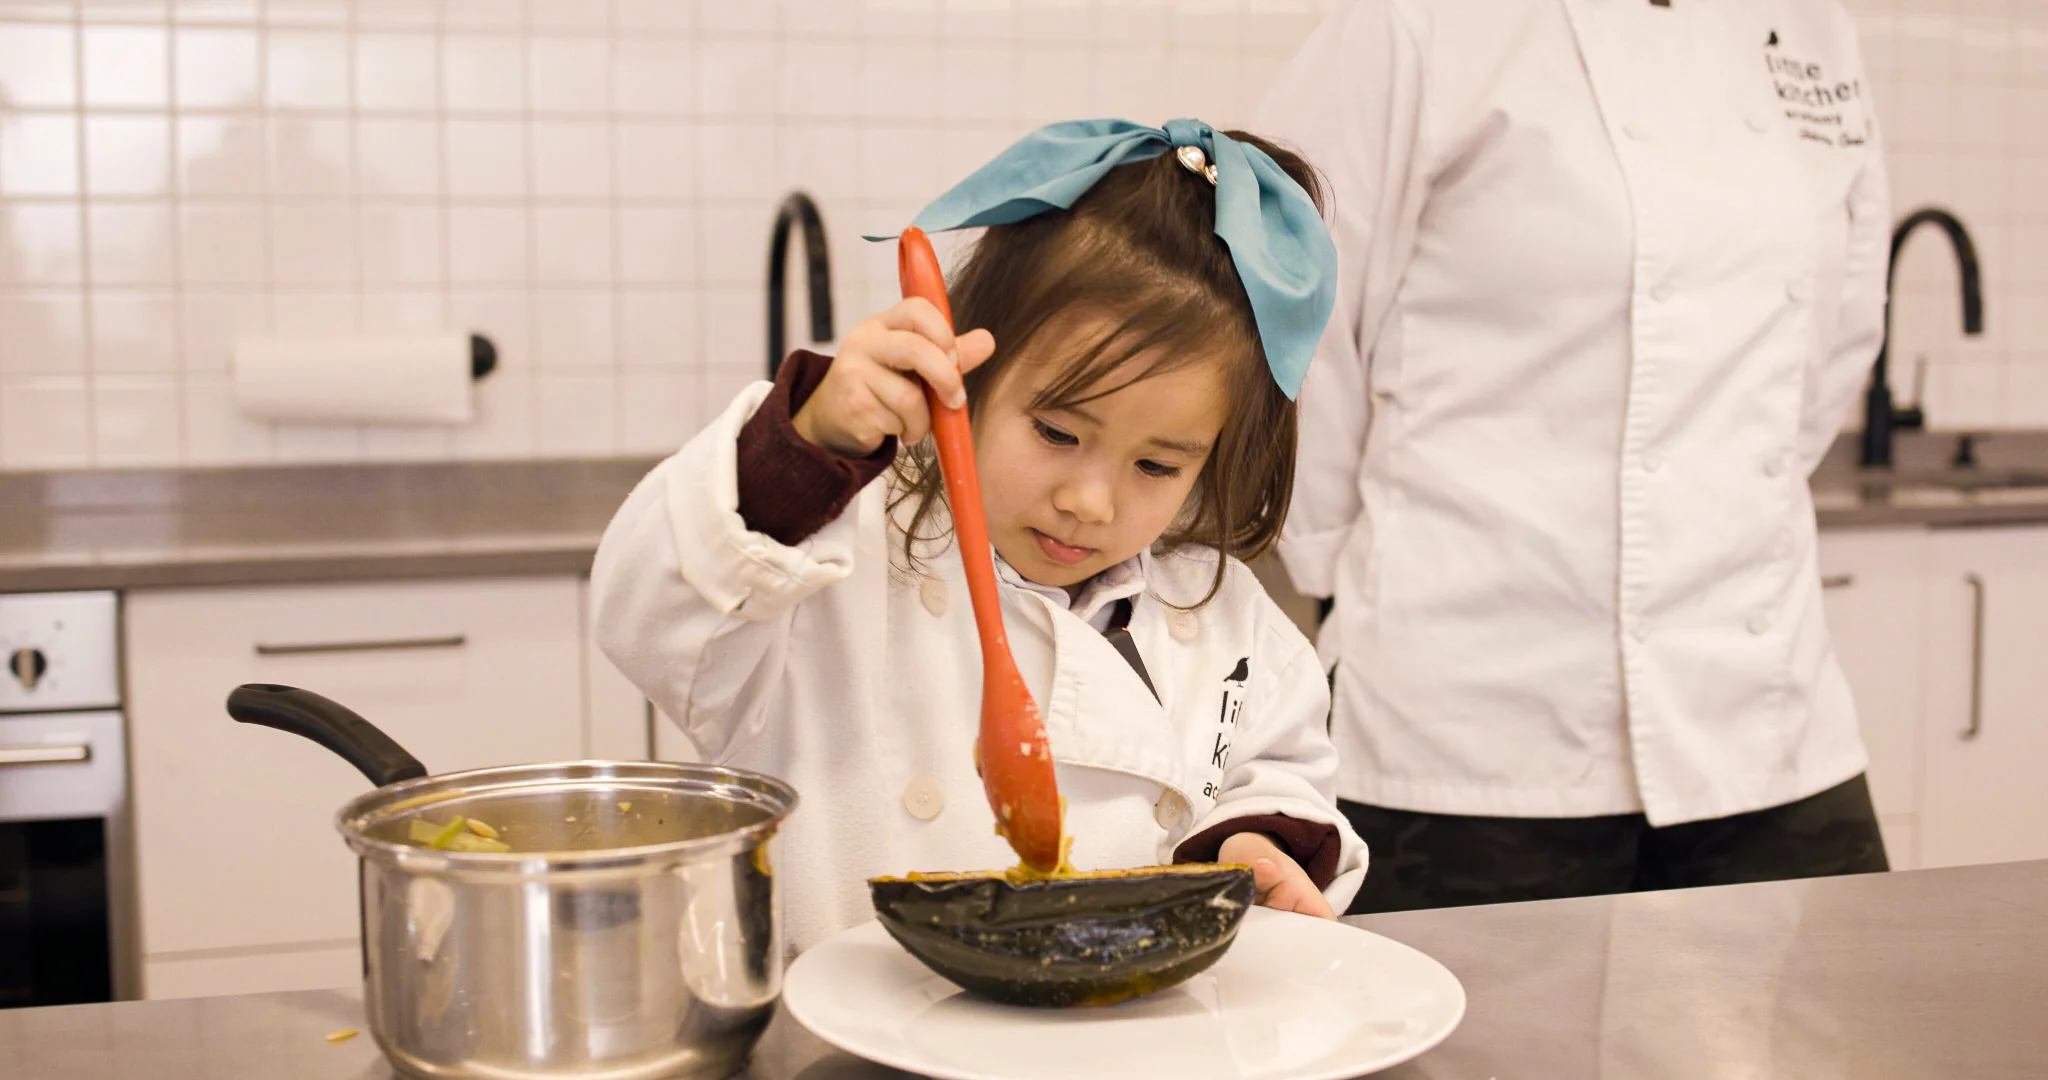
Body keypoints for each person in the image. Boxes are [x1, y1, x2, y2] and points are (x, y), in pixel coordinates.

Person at [591, 119, 1368, 952]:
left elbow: (1279, 771)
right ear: (973, 373)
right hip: (862, 1038)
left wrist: (1252, 845)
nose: (1090, 502)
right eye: (1059, 435)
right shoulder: (835, 565)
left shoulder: (1221, 615)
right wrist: (809, 444)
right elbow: (651, 616)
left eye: (1157, 467)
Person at [1258, 0, 1893, 913]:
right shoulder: (1413, 25)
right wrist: (1344, 571)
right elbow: (1294, 315)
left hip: (1763, 705)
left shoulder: (1811, 26)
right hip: (1472, 715)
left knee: (1829, 1045)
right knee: (1467, 1056)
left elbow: (1836, 338)